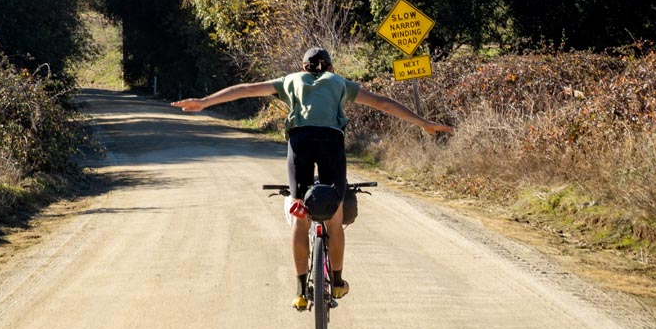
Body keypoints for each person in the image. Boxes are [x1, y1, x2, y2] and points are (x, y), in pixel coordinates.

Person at [172, 47, 453, 310]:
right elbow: (382, 103)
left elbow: (246, 90)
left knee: (300, 213)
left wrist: (205, 102)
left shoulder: (290, 80)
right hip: (331, 142)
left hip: (300, 141)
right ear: (330, 66)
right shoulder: (339, 81)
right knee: (334, 213)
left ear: (303, 66)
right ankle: (339, 282)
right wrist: (423, 123)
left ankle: (300, 292)